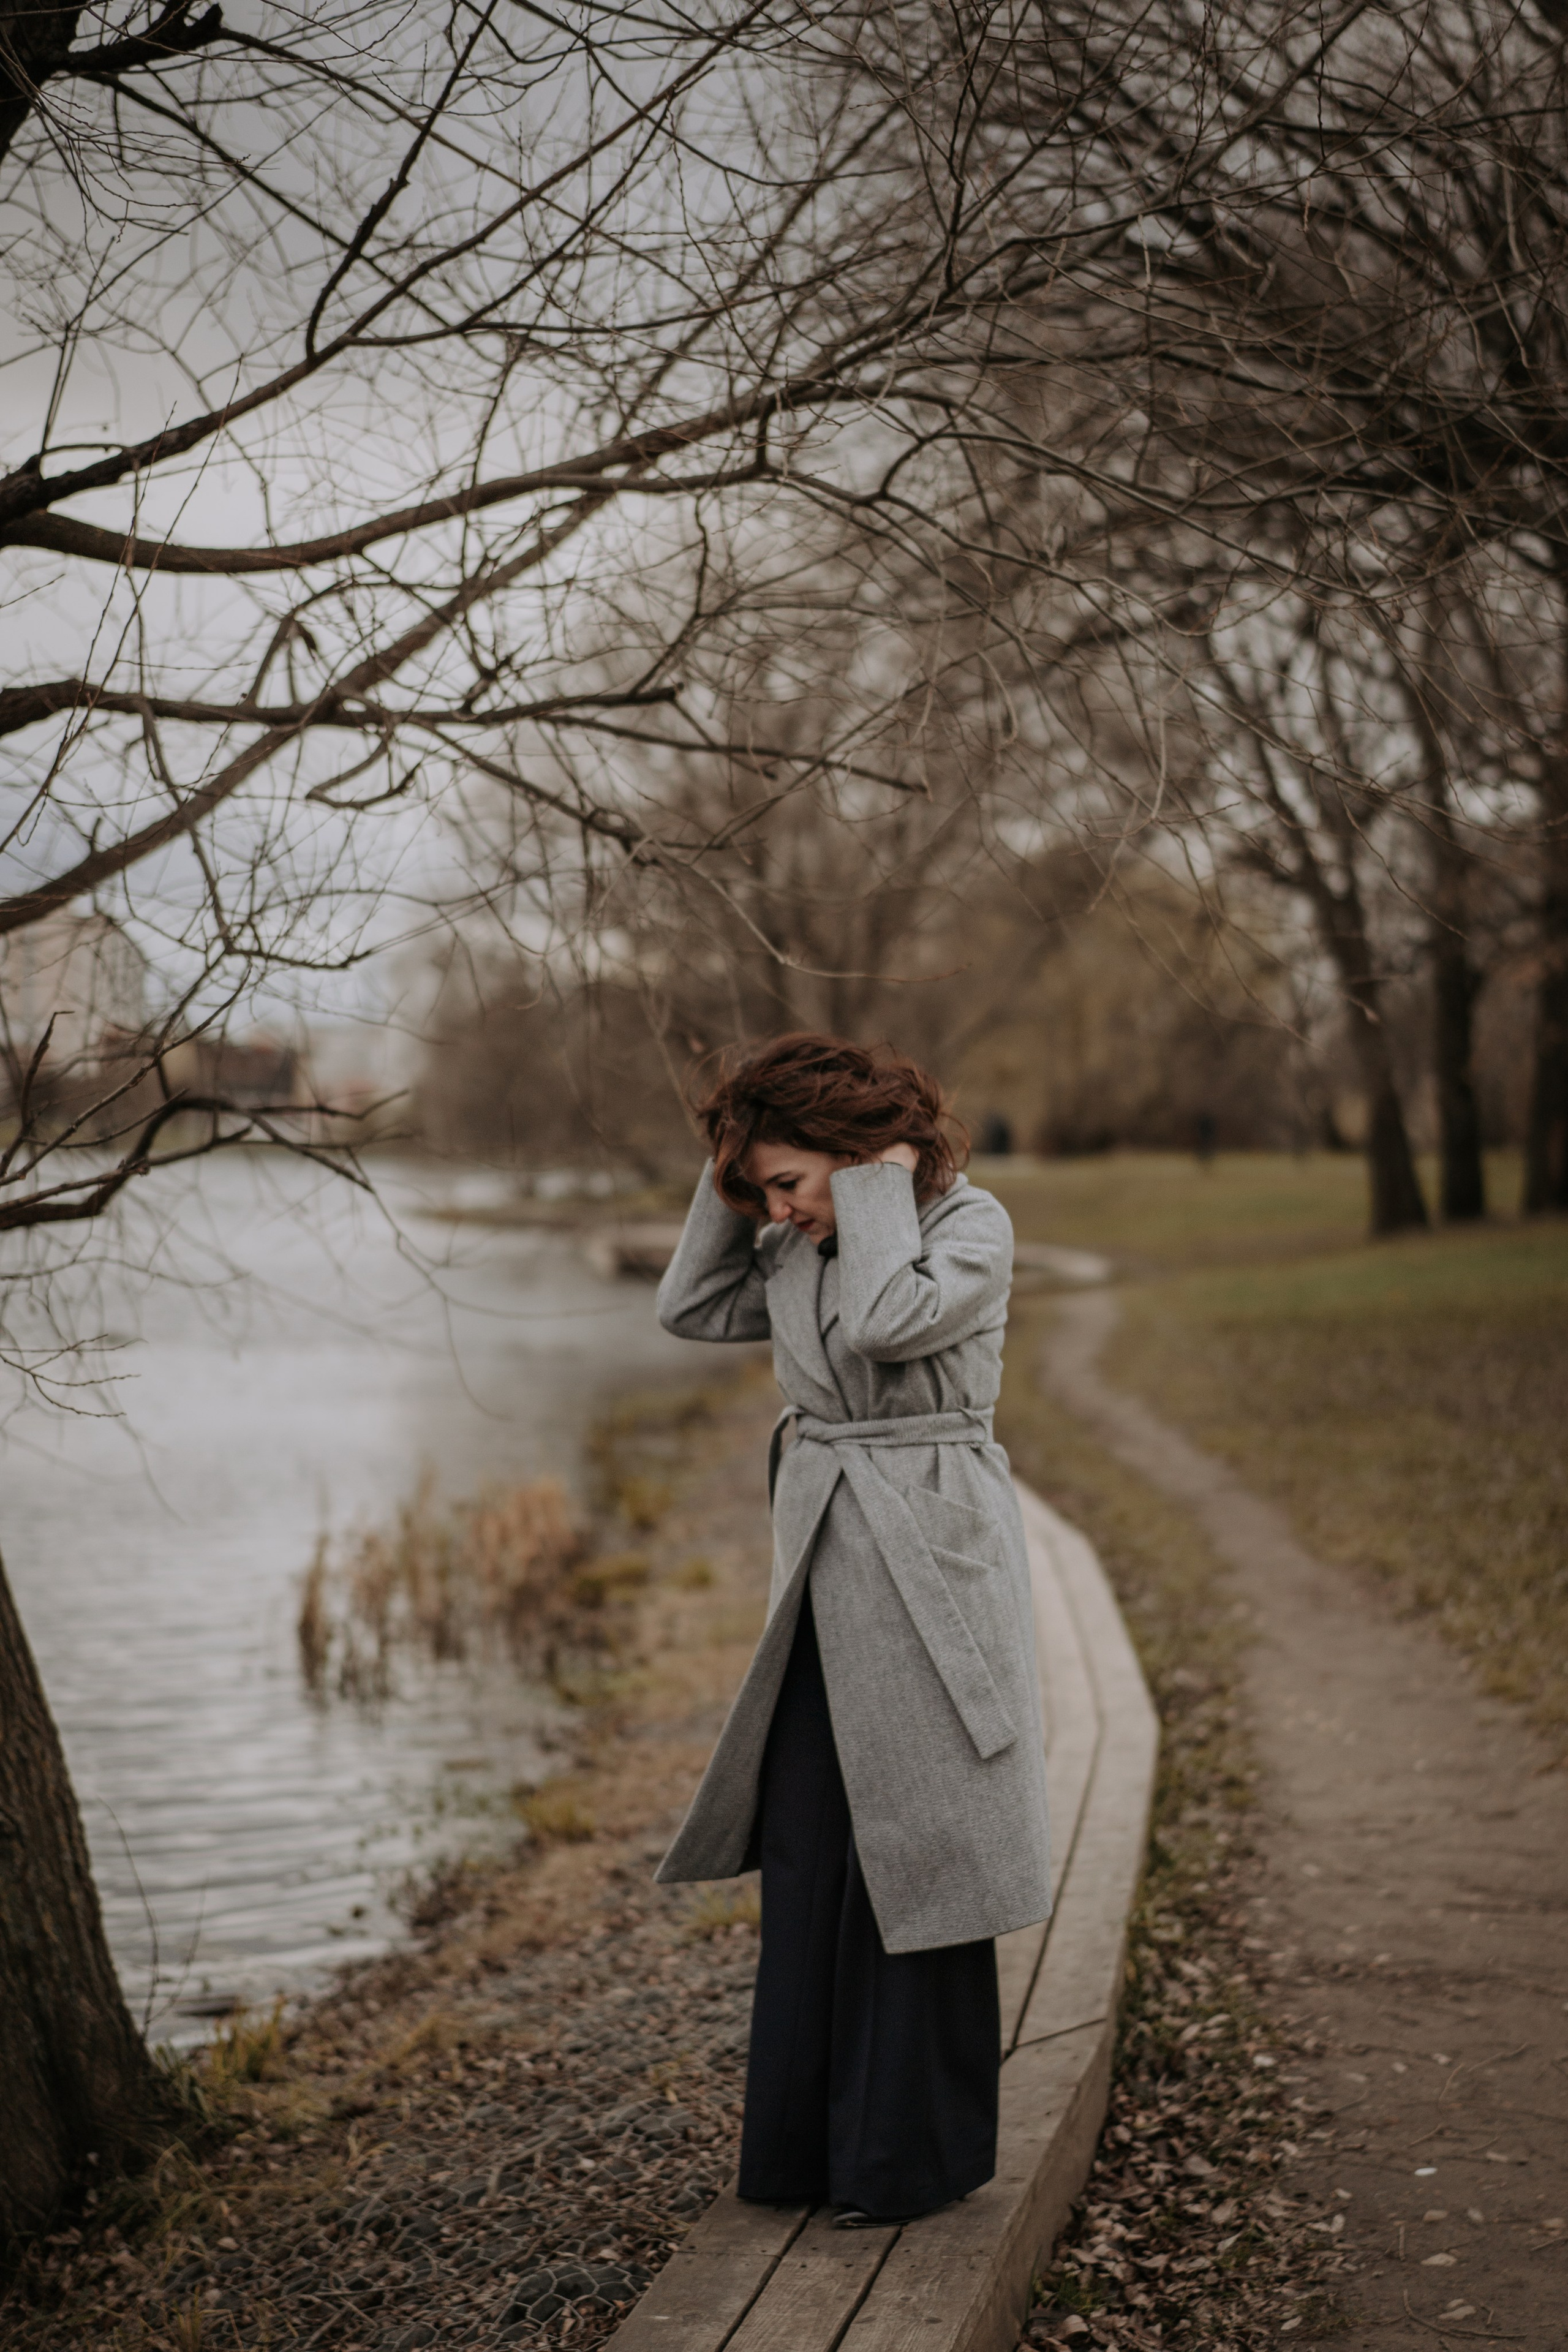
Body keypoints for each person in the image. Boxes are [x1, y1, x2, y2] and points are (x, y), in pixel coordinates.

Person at [653, 1032, 1052, 2228]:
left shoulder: (969, 1225)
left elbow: (885, 1323)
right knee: (815, 1843)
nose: (778, 1209)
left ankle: (902, 2161)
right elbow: (687, 1302)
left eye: (790, 1181)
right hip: (824, 1563)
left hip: (929, 1561)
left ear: (858, 1155)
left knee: (919, 1854)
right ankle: (797, 2150)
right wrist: (736, 1170)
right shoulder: (788, 1244)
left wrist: (874, 1182)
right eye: (764, 1193)